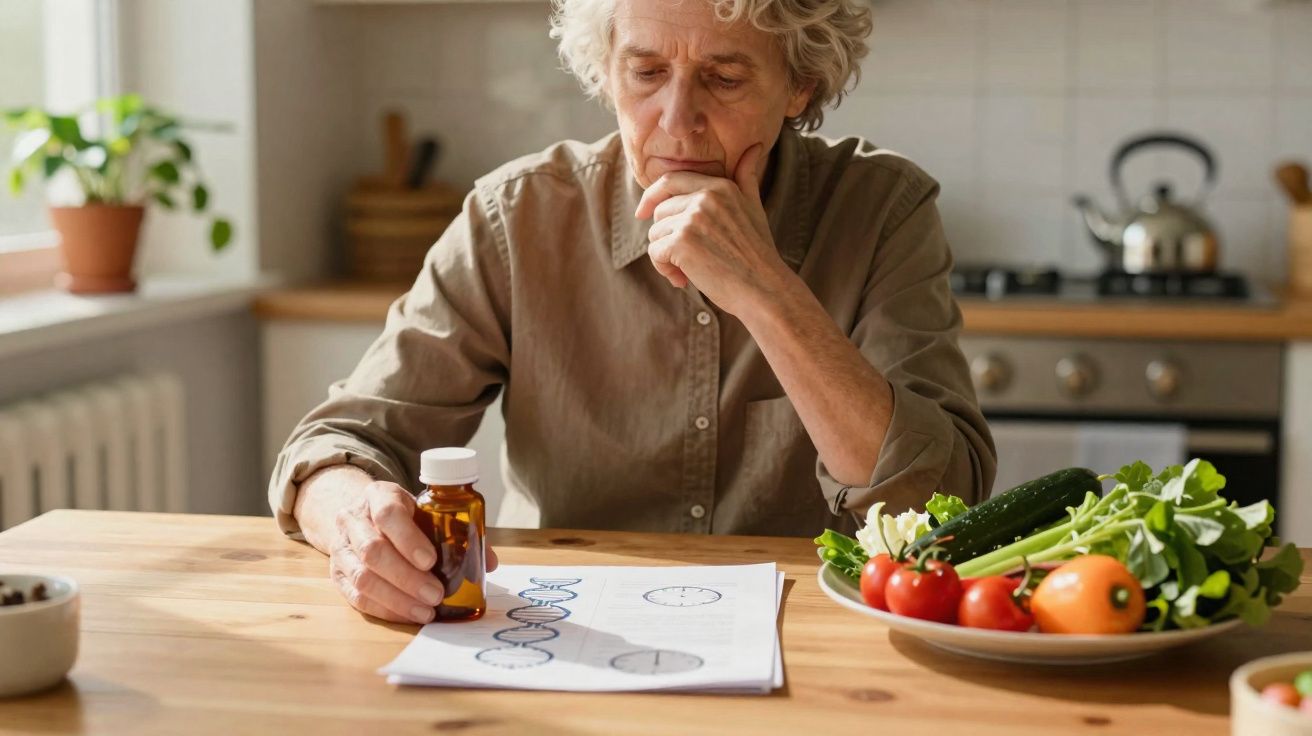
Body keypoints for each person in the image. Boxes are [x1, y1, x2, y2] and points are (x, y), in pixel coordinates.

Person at [268, 0, 996, 625]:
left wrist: (767, 291)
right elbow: (336, 445)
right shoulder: (516, 219)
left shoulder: (884, 213)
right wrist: (357, 528)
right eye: (646, 74)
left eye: (725, 76)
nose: (678, 122)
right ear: (606, 72)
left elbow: (942, 506)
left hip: (815, 638)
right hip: (560, 638)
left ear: (799, 84)